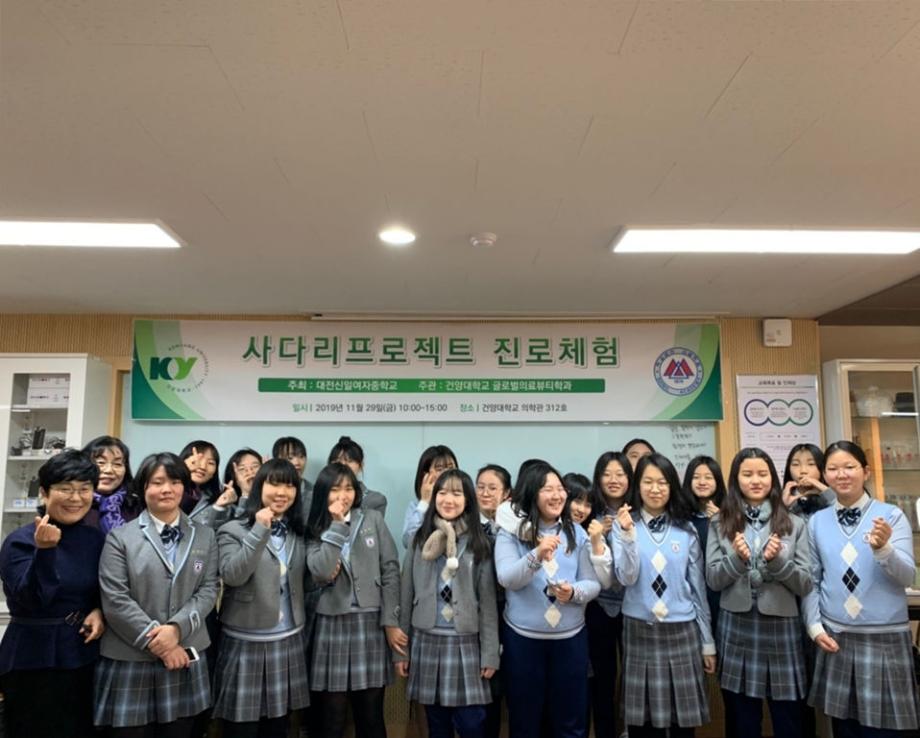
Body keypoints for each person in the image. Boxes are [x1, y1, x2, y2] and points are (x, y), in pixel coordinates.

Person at [94, 452, 220, 738]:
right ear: (143, 488)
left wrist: (176, 629)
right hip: (132, 656)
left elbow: (208, 589)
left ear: (185, 488)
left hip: (185, 654)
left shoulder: (205, 535)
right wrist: (161, 643)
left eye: (175, 482)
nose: (167, 489)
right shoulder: (120, 537)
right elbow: (115, 599)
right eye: (157, 482)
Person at [804, 440, 920, 737]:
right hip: (836, 637)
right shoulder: (816, 522)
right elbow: (812, 580)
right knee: (845, 729)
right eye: (833, 469)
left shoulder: (891, 515)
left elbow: (907, 576)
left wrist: (884, 549)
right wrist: (815, 627)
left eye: (849, 467)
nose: (841, 474)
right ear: (825, 475)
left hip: (884, 638)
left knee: (886, 731)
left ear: (866, 472)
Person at [0, 449, 106, 738]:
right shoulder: (20, 540)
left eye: (84, 489)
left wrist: (98, 610)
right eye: (65, 489)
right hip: (33, 657)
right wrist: (45, 551)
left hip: (82, 653)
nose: (76, 498)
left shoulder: (94, 538)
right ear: (44, 493)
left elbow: (101, 589)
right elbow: (31, 599)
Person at [706, 448, 811, 738]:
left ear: (773, 479)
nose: (756, 480)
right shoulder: (720, 522)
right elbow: (713, 580)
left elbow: (805, 583)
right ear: (735, 479)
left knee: (788, 719)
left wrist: (777, 563)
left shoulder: (794, 523)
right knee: (742, 720)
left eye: (763, 474)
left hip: (782, 626)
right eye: (747, 474)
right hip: (736, 626)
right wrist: (736, 560)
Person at [495, 460, 601, 738]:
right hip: (523, 642)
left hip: (570, 642)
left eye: (560, 489)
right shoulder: (511, 533)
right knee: (525, 721)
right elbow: (507, 578)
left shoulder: (576, 532)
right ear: (532, 493)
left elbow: (593, 583)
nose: (557, 495)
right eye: (547, 489)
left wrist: (574, 593)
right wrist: (537, 554)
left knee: (570, 722)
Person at [612, 452, 715, 738]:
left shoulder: (686, 529)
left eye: (662, 482)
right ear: (637, 486)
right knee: (642, 724)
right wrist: (628, 535)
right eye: (648, 482)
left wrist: (707, 642)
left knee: (683, 723)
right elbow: (625, 578)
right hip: (639, 630)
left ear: (672, 487)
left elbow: (697, 589)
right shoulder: (624, 525)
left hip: (682, 630)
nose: (655, 489)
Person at [396, 469, 499, 738]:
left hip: (466, 641)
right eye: (442, 493)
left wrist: (490, 654)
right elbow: (406, 594)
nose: (448, 500)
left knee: (472, 723)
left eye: (456, 493)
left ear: (468, 500)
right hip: (427, 638)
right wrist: (401, 652)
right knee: (436, 724)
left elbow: (488, 604)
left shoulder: (479, 542)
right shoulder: (419, 539)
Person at [213, 459, 309, 738]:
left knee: (278, 727)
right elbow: (233, 575)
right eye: (274, 484)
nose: (282, 492)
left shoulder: (297, 532)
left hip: (288, 638)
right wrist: (258, 531)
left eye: (289, 486)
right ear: (259, 487)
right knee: (241, 728)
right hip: (245, 640)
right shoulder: (232, 530)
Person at [306, 463, 402, 738]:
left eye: (349, 488)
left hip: (370, 621)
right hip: (331, 621)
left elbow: (390, 569)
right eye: (335, 489)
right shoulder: (314, 526)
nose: (343, 495)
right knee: (332, 715)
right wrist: (337, 525)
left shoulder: (372, 518)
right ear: (323, 492)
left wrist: (391, 621)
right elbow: (321, 571)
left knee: (371, 713)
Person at [584, 451, 634, 738]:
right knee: (602, 677)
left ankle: (630, 730)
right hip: (597, 607)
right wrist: (596, 533)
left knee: (633, 676)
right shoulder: (586, 511)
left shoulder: (640, 512)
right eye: (607, 474)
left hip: (634, 606)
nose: (613, 480)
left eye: (620, 474)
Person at [474, 464, 512, 738]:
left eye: (492, 488)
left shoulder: (515, 527)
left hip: (508, 612)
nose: (485, 493)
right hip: (477, 614)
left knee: (503, 686)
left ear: (506, 493)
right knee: (482, 686)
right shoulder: (466, 525)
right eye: (480, 487)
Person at [682, 455, 726, 630]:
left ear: (717, 481)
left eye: (708, 477)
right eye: (696, 477)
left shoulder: (728, 514)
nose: (702, 482)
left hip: (720, 590)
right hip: (690, 590)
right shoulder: (681, 517)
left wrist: (720, 521)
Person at [403, 445, 459, 547]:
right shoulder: (416, 506)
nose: (447, 473)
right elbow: (408, 542)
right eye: (440, 469)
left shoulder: (463, 502)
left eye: (451, 468)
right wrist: (424, 502)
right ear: (426, 475)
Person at [82, 435, 141, 532]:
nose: (109, 470)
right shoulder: (75, 503)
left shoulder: (137, 505)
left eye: (117, 464)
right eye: (101, 462)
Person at [179, 441, 237, 528]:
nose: (202, 467)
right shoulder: (165, 490)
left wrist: (218, 508)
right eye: (198, 459)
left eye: (210, 463)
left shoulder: (218, 501)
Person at [327, 436, 388, 515]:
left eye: (349, 461)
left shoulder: (375, 500)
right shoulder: (317, 495)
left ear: (360, 465)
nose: (343, 465)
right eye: (338, 461)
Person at [781, 443, 832, 520]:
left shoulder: (831, 496)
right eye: (796, 464)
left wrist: (823, 489)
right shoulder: (780, 498)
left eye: (811, 464)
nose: (803, 471)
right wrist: (784, 506)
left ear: (822, 467)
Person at [272, 436, 313, 505]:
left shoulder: (313, 491)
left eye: (301, 457)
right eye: (290, 458)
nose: (297, 463)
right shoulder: (269, 489)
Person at [222, 447, 263, 513]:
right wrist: (245, 493)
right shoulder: (228, 508)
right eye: (242, 469)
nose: (250, 472)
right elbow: (242, 519)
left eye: (255, 466)